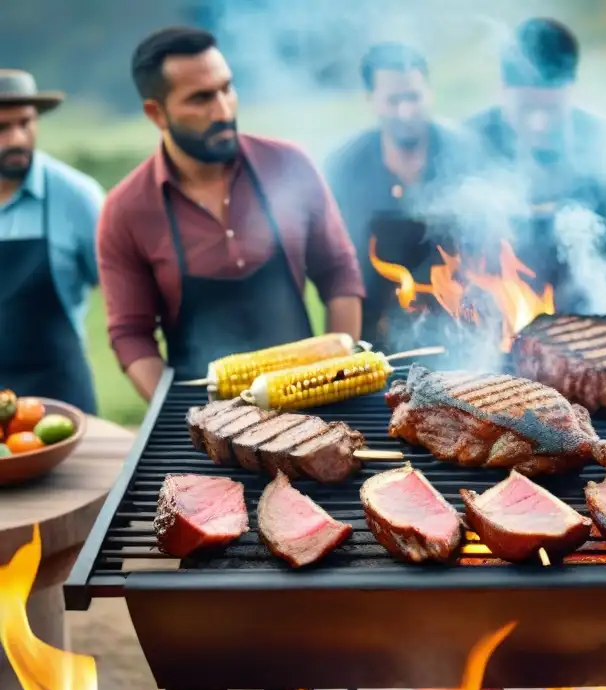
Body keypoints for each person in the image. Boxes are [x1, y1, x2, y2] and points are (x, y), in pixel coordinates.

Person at [97, 27, 365, 398]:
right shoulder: (126, 209)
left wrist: (336, 378)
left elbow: (339, 273)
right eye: (201, 99)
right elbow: (131, 335)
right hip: (203, 410)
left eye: (227, 88)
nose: (223, 110)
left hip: (309, 400)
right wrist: (177, 412)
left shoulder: (289, 164)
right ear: (156, 113)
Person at [464, 18, 606, 317]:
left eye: (551, 110)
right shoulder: (468, 142)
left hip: (593, 324)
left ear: (570, 88)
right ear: (502, 88)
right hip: (496, 332)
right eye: (526, 110)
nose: (539, 124)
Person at [322, 43, 482, 347]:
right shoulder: (345, 169)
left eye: (413, 97)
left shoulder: (467, 153)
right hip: (377, 340)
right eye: (394, 100)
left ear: (429, 92)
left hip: (460, 331)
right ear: (371, 99)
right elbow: (334, 269)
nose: (406, 111)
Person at [0, 70, 105, 413]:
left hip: (61, 402)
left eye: (26, 123)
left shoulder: (76, 197)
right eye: (2, 127)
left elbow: (126, 296)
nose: (17, 138)